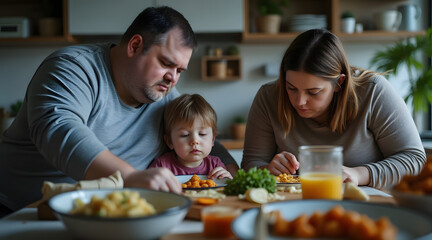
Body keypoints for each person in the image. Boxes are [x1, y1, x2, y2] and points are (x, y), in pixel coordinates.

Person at [0, 6, 238, 217]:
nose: (172, 78)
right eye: (166, 63)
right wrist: (129, 177)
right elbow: (59, 130)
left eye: (179, 71)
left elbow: (204, 136)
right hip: (22, 212)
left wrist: (231, 172)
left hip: (110, 214)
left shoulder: (163, 95)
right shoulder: (72, 67)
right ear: (135, 46)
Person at [241, 29, 426, 189]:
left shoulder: (372, 91)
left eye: (313, 92)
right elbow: (251, 163)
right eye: (291, 88)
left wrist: (358, 175)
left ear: (339, 82)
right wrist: (267, 169)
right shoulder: (268, 96)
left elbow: (414, 160)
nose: (299, 102)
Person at [148, 94, 233, 179]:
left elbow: (225, 189)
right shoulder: (161, 166)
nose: (195, 141)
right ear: (170, 141)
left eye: (202, 134)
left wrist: (228, 180)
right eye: (184, 135)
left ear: (212, 140)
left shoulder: (216, 165)